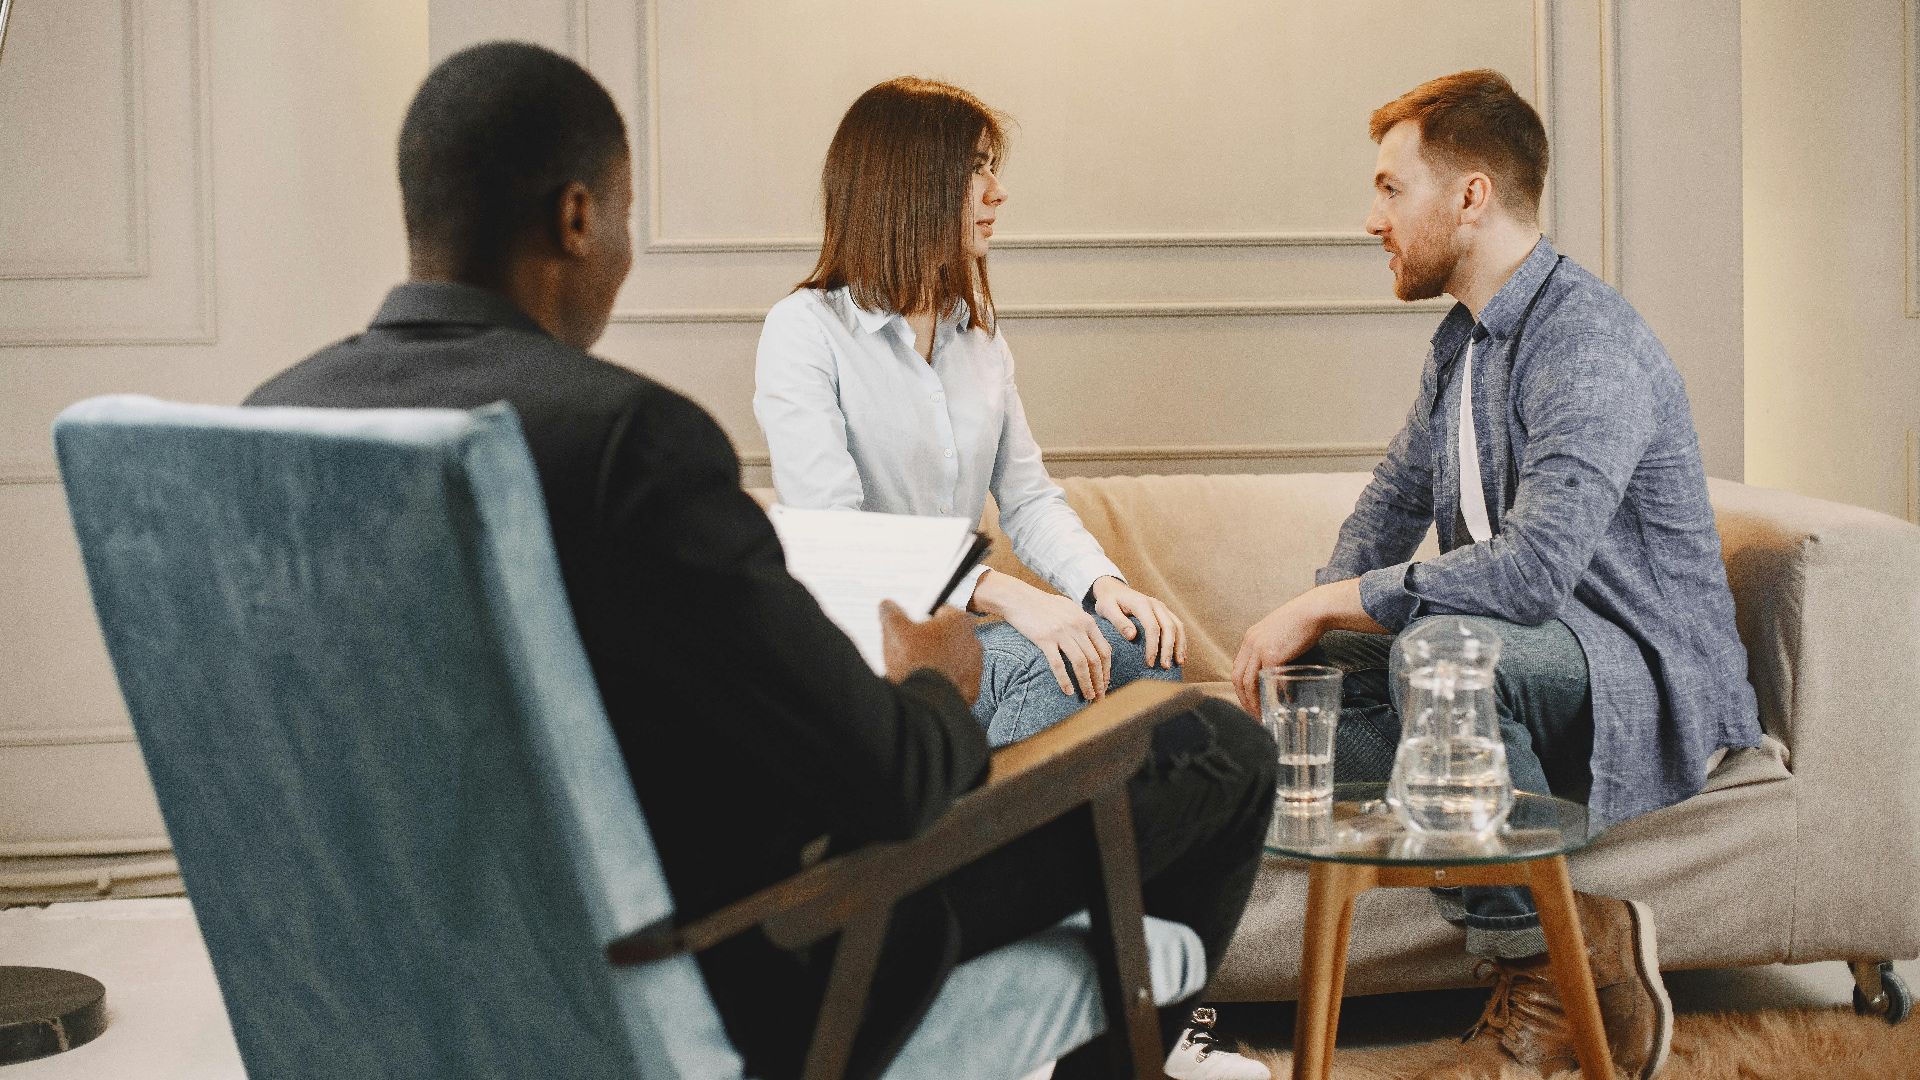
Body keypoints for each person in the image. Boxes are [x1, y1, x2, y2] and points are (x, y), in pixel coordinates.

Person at [246, 43, 1275, 1080]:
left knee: (1134, 695)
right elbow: (886, 781)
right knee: (1223, 755)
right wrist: (938, 681)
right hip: (759, 971)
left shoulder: (270, 429)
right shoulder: (627, 441)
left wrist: (1079, 593)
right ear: (577, 218)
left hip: (421, 985)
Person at [1230, 69, 1762, 1080]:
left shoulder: (1586, 340)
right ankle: (1586, 931)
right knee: (1298, 708)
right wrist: (1311, 630)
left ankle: (1548, 969)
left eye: (1392, 189)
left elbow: (1531, 578)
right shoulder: (1462, 344)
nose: (1370, 218)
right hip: (1524, 668)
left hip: (1635, 671)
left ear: (1469, 198)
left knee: (1441, 655)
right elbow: (1389, 504)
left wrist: (1324, 602)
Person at [754, 77, 1188, 751]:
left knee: (1143, 647)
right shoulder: (803, 330)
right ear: (908, 187)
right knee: (1066, 669)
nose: (998, 191)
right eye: (974, 170)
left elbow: (1028, 497)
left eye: (994, 167)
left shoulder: (976, 334)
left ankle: (968, 821)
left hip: (953, 650)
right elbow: (832, 531)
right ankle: (983, 830)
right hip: (862, 666)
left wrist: (1100, 586)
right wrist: (1003, 593)